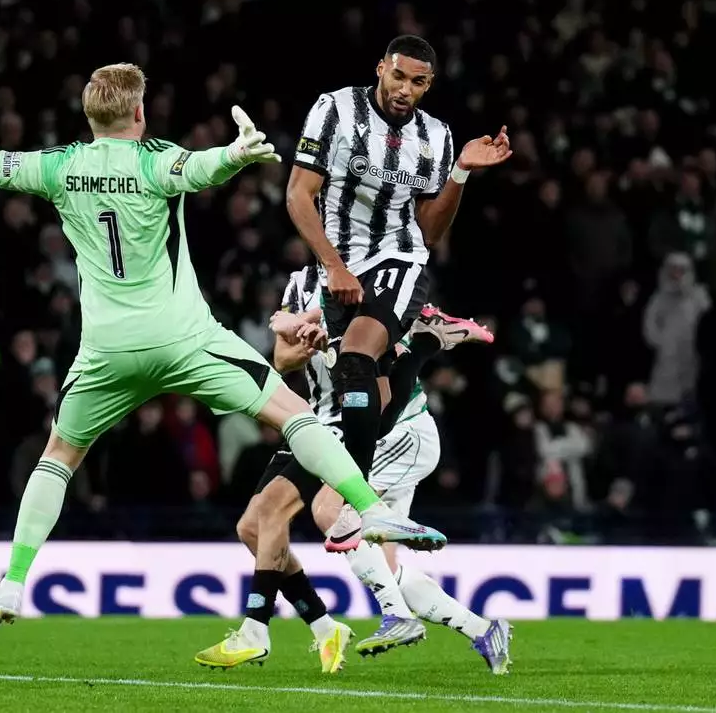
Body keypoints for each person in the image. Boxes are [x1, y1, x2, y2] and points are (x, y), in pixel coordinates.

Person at [0, 63, 442, 634]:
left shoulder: (60, 167)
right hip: (184, 340)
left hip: (107, 352)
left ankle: (12, 583)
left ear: (89, 116)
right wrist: (236, 154)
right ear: (139, 113)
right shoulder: (155, 160)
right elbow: (201, 169)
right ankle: (369, 509)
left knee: (59, 456)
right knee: (296, 414)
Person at [196, 267, 509, 673]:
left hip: (387, 427)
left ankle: (274, 627)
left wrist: (335, 337)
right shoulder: (299, 284)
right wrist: (310, 340)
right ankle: (480, 629)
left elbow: (384, 367)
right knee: (254, 528)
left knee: (322, 511)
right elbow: (282, 359)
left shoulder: (373, 276)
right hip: (319, 422)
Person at [285, 36, 512, 547]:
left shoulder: (436, 136)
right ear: (380, 69)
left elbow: (429, 232)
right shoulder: (335, 110)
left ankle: (361, 504)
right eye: (399, 76)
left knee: (356, 356)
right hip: (340, 264)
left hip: (399, 259)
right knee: (377, 399)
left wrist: (460, 172)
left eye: (418, 82)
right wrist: (333, 266)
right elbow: (299, 194)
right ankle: (424, 345)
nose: (405, 89)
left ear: (429, 85)